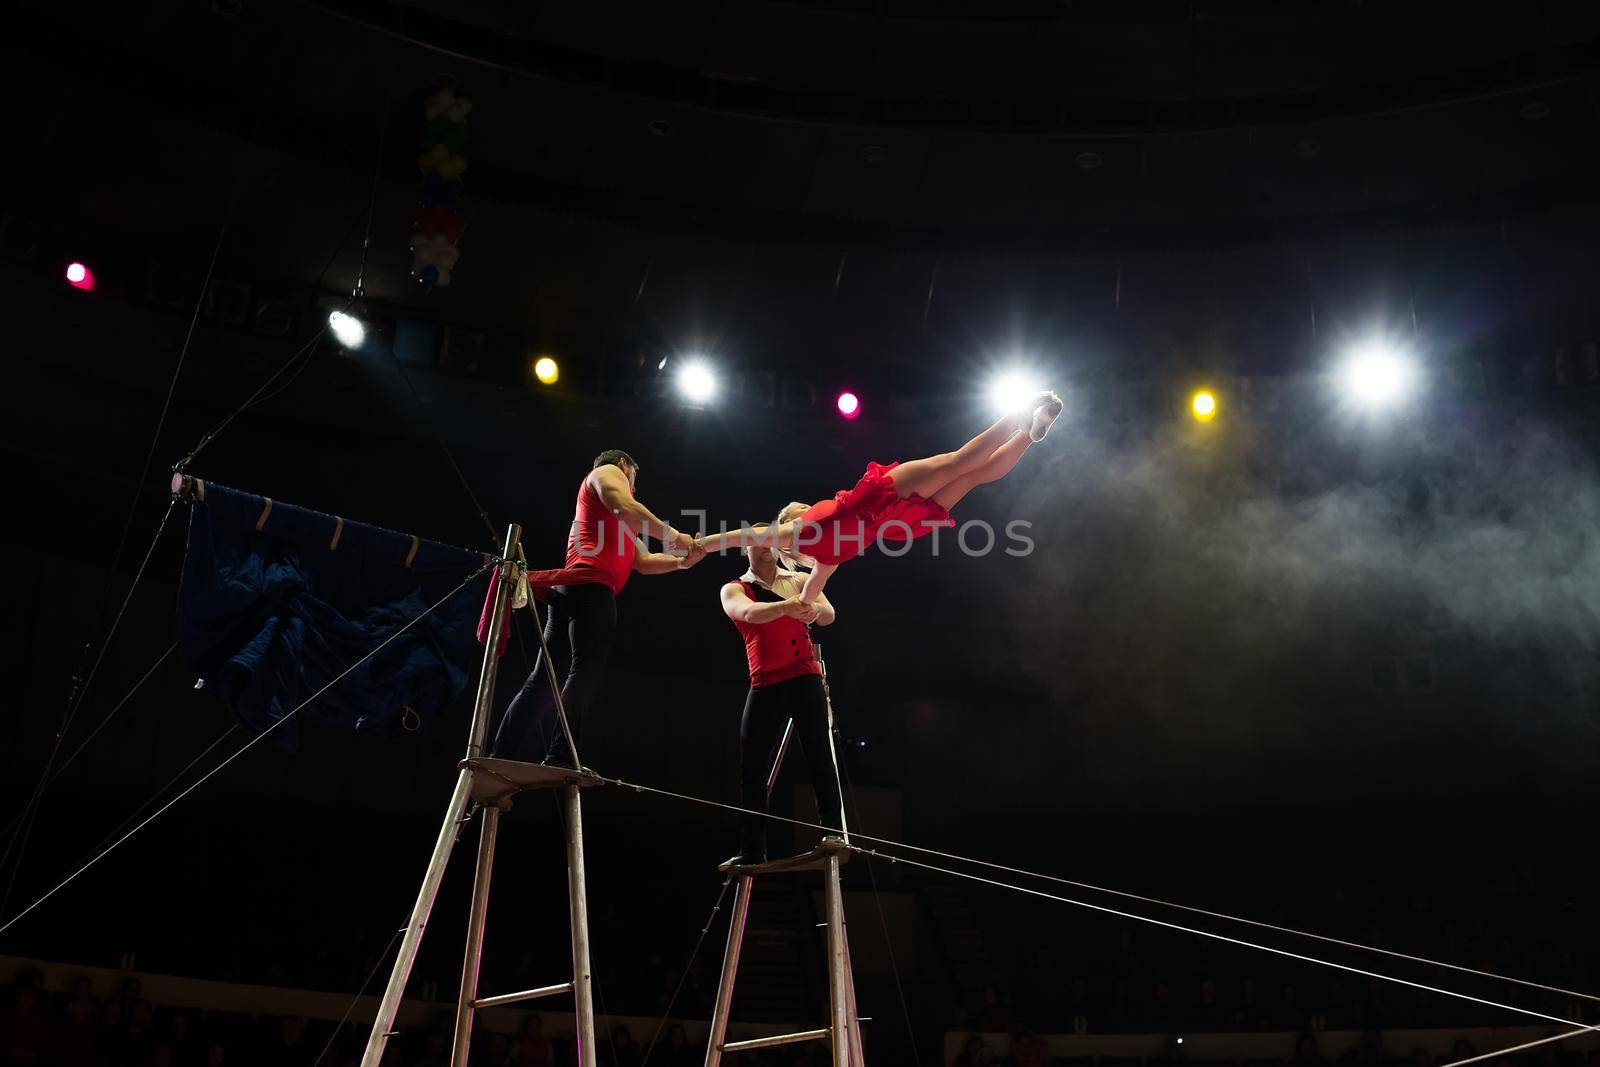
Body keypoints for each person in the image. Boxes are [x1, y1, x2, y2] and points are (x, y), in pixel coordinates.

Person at [695, 392, 1062, 602]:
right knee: (956, 463)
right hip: (879, 500)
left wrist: (799, 608)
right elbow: (743, 537)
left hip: (897, 526)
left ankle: (1028, 435)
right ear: (789, 521)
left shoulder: (823, 558)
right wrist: (695, 547)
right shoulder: (795, 533)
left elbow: (811, 591)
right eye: (799, 509)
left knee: (973, 476)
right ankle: (1018, 419)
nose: (806, 507)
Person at [492, 449, 706, 767]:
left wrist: (681, 562)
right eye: (633, 479)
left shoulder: (614, 520)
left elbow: (644, 562)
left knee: (546, 678)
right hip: (590, 589)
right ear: (623, 465)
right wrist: (674, 536)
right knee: (579, 673)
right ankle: (560, 756)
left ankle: (503, 754)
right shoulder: (607, 474)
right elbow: (626, 504)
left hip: (574, 589)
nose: (633, 487)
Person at [719, 539, 843, 866]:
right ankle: (752, 850)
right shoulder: (735, 588)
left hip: (803, 675)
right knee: (752, 768)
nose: (764, 548)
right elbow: (748, 613)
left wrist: (814, 609)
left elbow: (829, 614)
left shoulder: (800, 579)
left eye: (769, 542)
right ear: (744, 549)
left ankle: (832, 831)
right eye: (756, 543)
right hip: (765, 683)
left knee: (818, 753)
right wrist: (788, 607)